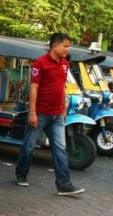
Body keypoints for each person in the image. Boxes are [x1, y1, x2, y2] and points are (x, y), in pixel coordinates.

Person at [15, 33, 85, 195]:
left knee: (60, 149)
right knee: (29, 146)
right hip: (40, 114)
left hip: (57, 116)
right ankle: (21, 174)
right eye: (66, 46)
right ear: (55, 46)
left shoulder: (65, 64)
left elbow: (61, 88)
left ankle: (63, 184)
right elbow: (34, 89)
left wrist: (63, 109)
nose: (68, 49)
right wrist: (32, 112)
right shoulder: (40, 63)